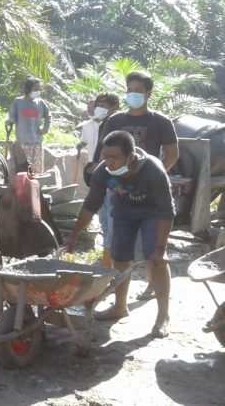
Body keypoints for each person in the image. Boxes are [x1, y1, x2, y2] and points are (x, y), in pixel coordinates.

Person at [65, 130, 174, 338]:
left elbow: (166, 211)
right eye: (106, 157)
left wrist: (160, 248)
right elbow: (90, 205)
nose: (109, 162)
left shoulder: (153, 170)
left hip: (153, 213)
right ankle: (120, 307)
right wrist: (74, 236)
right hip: (124, 211)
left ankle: (163, 316)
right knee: (119, 256)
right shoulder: (103, 171)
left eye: (114, 157)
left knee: (158, 260)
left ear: (131, 157)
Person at [92, 73, 179, 298]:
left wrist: (155, 180)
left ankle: (152, 285)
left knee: (152, 243)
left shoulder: (160, 121)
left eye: (137, 90)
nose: (132, 94)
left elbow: (172, 155)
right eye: (129, 89)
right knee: (114, 238)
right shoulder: (115, 121)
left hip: (149, 194)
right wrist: (107, 180)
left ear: (148, 93)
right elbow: (100, 157)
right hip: (117, 190)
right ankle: (114, 288)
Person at [81, 93, 121, 268]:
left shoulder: (118, 124)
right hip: (100, 176)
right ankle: (108, 261)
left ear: (114, 107)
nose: (99, 107)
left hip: (112, 178)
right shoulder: (98, 124)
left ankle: (109, 264)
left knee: (112, 221)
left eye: (103, 104)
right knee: (104, 220)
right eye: (97, 104)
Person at [5, 77, 51, 173]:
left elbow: (48, 116)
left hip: (37, 143)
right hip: (22, 144)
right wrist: (10, 121)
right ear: (28, 89)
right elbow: (12, 116)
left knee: (37, 171)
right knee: (24, 171)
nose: (38, 91)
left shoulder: (41, 103)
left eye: (39, 89)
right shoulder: (18, 102)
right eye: (35, 89)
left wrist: (45, 128)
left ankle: (37, 187)